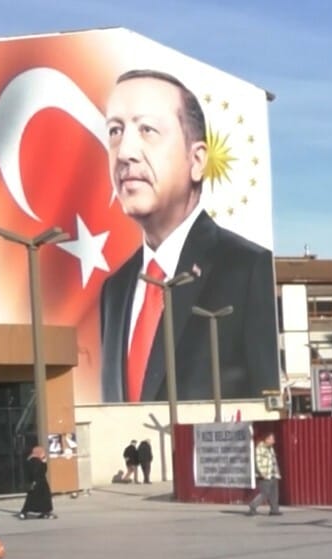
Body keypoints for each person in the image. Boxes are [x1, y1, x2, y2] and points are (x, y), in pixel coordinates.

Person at [98, 69, 281, 404]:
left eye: (147, 130)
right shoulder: (115, 290)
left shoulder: (246, 269)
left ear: (197, 160)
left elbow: (266, 402)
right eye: (115, 131)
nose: (125, 152)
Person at [246, 431, 281, 516]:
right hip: (265, 474)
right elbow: (258, 462)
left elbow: (273, 461)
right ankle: (253, 506)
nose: (273, 441)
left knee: (274, 493)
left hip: (273, 474)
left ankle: (274, 510)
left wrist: (277, 472)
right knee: (264, 493)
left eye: (273, 439)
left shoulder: (271, 448)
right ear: (266, 439)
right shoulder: (260, 448)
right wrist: (262, 473)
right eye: (271, 439)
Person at [17, 445, 56, 520]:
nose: (44, 453)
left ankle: (44, 512)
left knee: (40, 498)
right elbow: (38, 472)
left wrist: (43, 462)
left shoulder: (35, 459)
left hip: (40, 482)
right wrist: (43, 463)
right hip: (38, 482)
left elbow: (42, 471)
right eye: (42, 452)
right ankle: (25, 512)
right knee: (34, 499)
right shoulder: (35, 460)